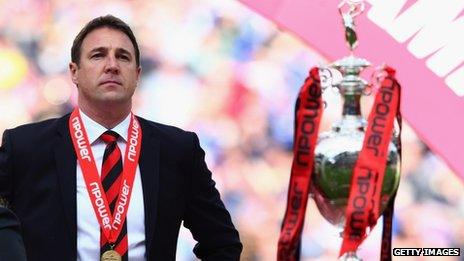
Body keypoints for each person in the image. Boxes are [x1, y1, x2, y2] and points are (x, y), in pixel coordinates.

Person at [0, 15, 242, 261]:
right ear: (74, 72)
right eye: (98, 55)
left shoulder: (178, 150)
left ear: (137, 75)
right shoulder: (25, 147)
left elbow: (223, 243)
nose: (112, 65)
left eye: (123, 57)